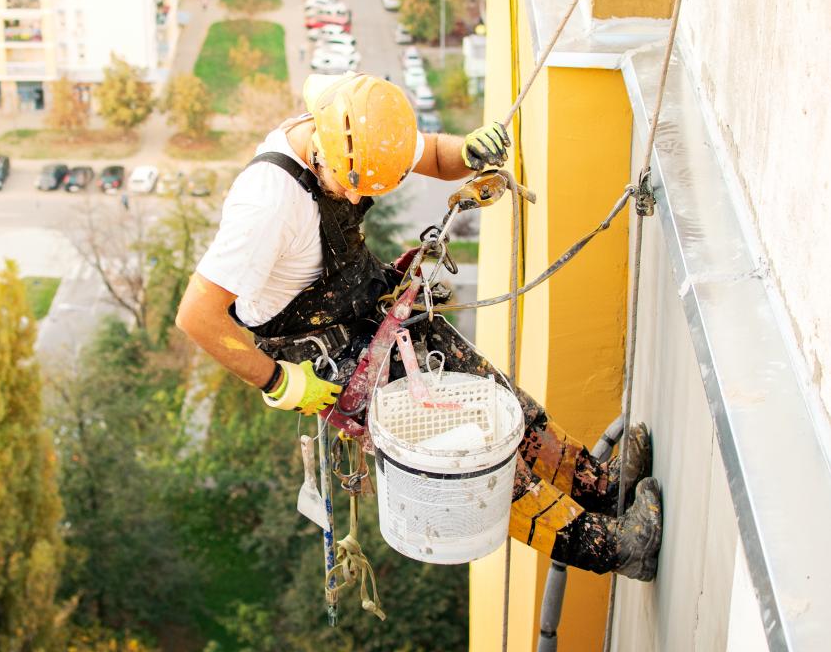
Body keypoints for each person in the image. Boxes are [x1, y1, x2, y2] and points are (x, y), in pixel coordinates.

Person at [176, 73, 662, 580]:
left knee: (499, 400)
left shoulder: (366, 131)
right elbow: (198, 315)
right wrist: (280, 382)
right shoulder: (267, 204)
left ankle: (600, 486)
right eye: (350, 186)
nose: (354, 195)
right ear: (321, 147)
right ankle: (615, 549)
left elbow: (431, 155)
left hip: (374, 309)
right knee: (471, 449)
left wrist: (468, 151)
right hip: (328, 358)